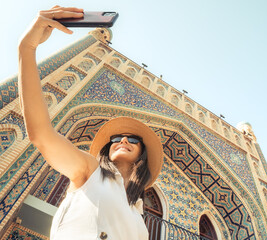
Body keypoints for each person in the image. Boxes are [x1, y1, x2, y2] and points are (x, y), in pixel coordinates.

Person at [18, 6, 163, 240]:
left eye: (133, 139)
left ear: (142, 154)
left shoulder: (138, 213)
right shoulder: (91, 172)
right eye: (116, 138)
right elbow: (41, 135)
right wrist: (27, 48)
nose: (123, 139)